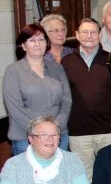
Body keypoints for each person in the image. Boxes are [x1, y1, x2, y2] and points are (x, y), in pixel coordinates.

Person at [61, 17, 111, 180]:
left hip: (109, 132)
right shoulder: (66, 62)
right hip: (78, 134)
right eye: (85, 32)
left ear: (100, 35)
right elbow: (62, 96)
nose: (89, 36)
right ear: (77, 35)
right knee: (83, 179)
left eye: (93, 32)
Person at [3, 23, 71, 155]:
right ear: (23, 46)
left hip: (58, 134)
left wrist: (57, 125)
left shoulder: (57, 68)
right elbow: (15, 108)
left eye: (41, 39)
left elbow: (66, 101)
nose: (37, 44)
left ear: (46, 43)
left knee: (60, 168)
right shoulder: (13, 71)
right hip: (25, 137)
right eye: (32, 40)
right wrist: (40, 131)